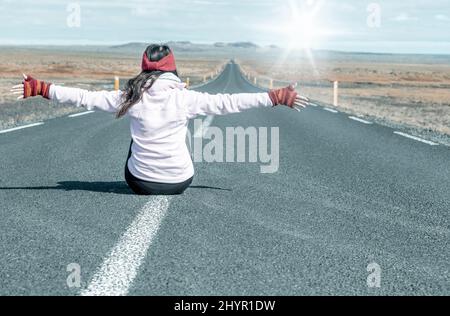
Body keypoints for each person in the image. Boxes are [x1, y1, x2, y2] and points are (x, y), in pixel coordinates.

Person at [10, 44, 310, 196]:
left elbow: (84, 97)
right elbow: (229, 102)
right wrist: (274, 97)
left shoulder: (130, 97)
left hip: (139, 183)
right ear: (173, 69)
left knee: (134, 138)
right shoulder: (185, 97)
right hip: (180, 182)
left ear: (143, 69)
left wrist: (42, 88)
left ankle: (148, 165)